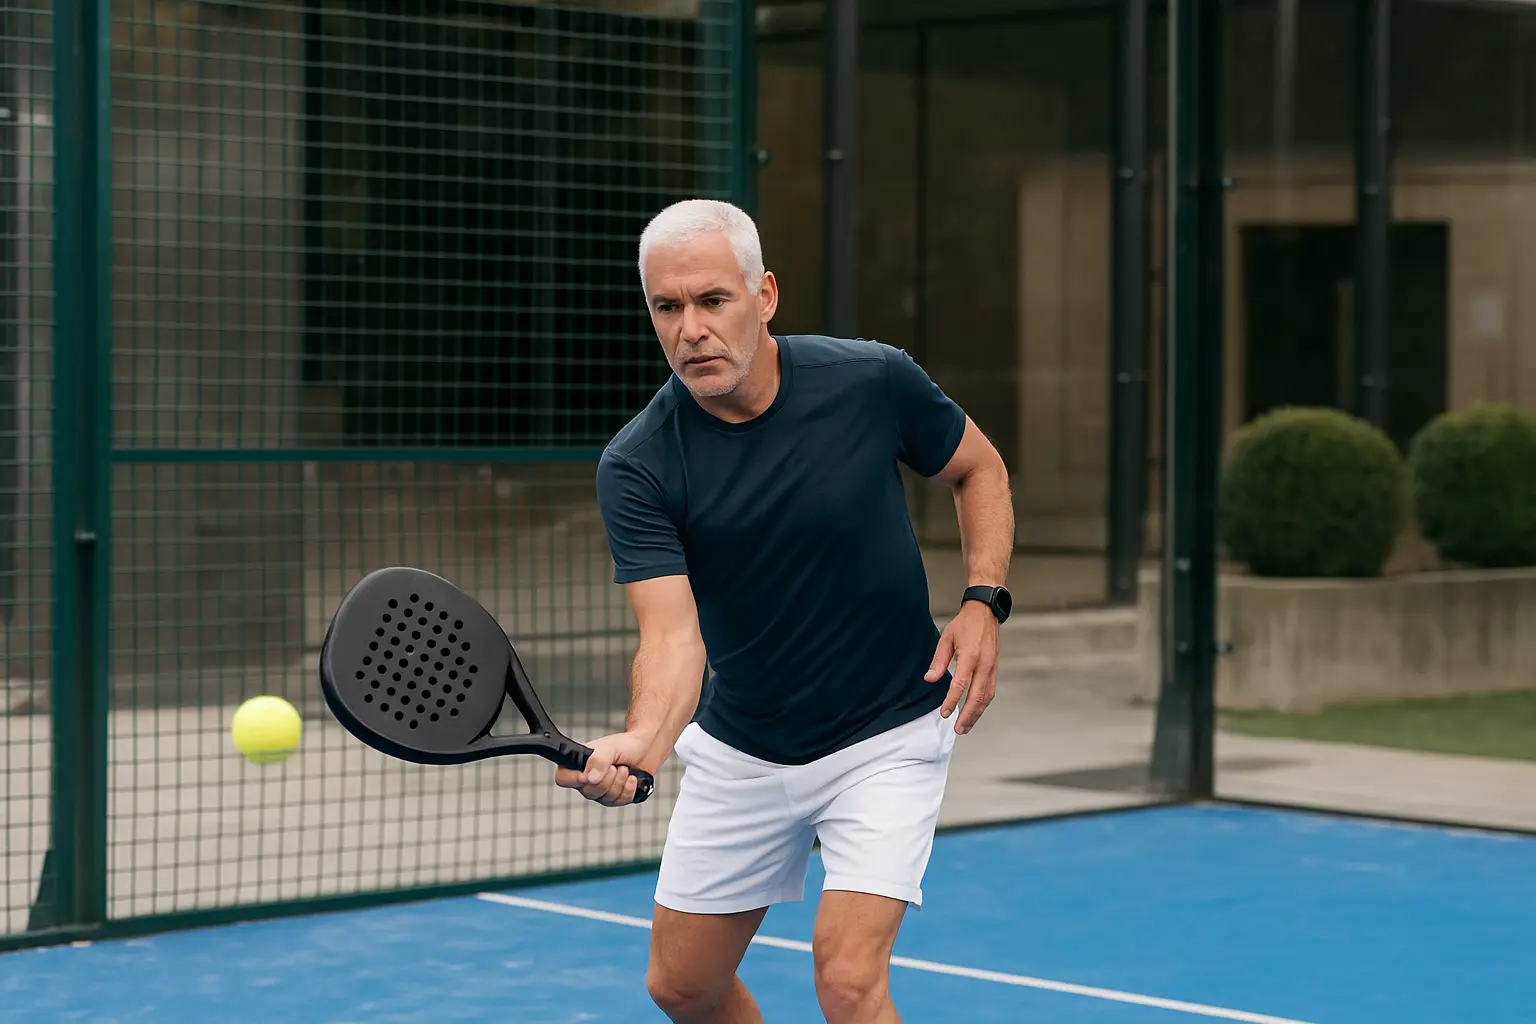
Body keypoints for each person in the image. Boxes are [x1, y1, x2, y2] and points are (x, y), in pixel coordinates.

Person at [554, 198, 1015, 1024]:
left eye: (711, 300)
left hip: (889, 730)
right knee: (682, 987)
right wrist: (643, 745)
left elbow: (978, 470)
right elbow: (670, 635)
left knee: (846, 981)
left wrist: (983, 601)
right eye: (668, 307)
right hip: (748, 747)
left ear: (763, 295)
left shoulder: (871, 381)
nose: (690, 328)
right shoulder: (638, 464)